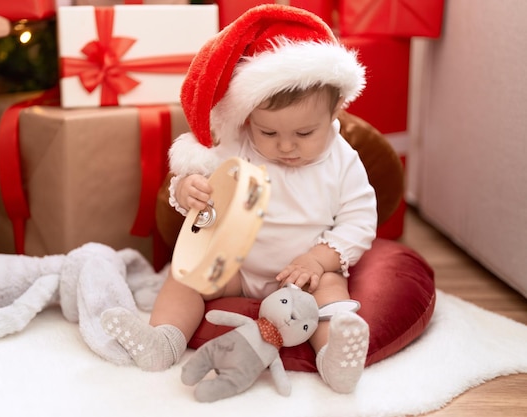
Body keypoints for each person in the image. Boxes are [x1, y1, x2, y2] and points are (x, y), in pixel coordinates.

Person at [101, 4, 377, 394]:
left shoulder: (343, 160)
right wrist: (187, 190)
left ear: (335, 112)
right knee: (185, 280)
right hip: (237, 268)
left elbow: (360, 221)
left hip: (305, 275)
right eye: (268, 133)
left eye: (303, 134)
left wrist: (319, 259)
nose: (285, 146)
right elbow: (203, 191)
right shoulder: (238, 148)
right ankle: (162, 341)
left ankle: (335, 357)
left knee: (331, 291)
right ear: (248, 119)